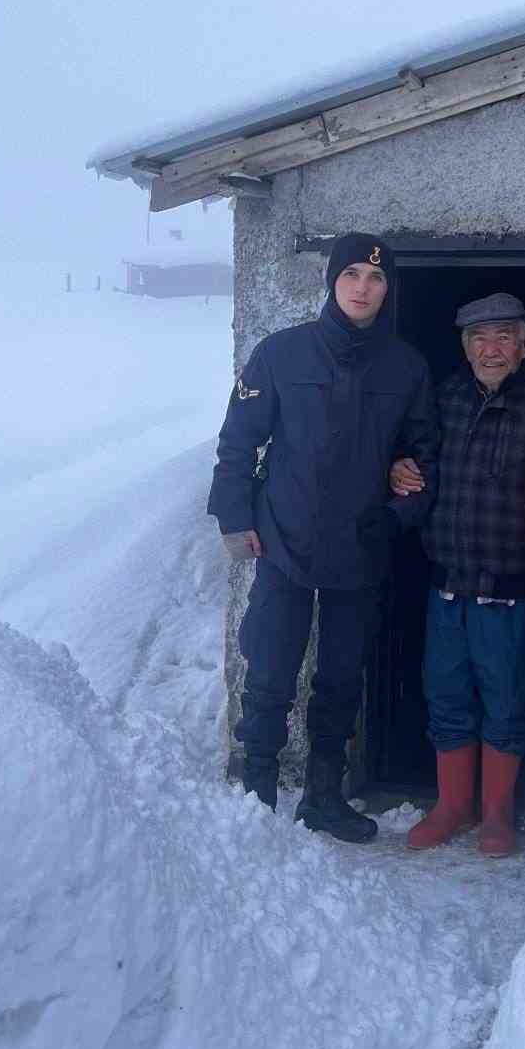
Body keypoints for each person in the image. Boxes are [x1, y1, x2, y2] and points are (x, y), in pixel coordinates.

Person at [208, 233, 437, 843]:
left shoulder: (406, 368)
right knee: (270, 668)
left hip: (361, 544)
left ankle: (323, 795)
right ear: (333, 282)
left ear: (387, 290)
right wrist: (236, 520)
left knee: (341, 676)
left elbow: (425, 458)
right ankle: (256, 790)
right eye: (352, 274)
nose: (363, 287)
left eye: (376, 278)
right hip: (285, 538)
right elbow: (238, 442)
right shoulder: (281, 354)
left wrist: (397, 511)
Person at [389, 293, 525, 856]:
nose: (491, 349)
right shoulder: (442, 400)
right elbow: (411, 459)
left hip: (513, 593)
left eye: (503, 337)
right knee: (445, 696)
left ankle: (496, 815)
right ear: (464, 347)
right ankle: (453, 806)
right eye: (478, 338)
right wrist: (398, 468)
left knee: (508, 703)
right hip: (446, 586)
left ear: (524, 345)